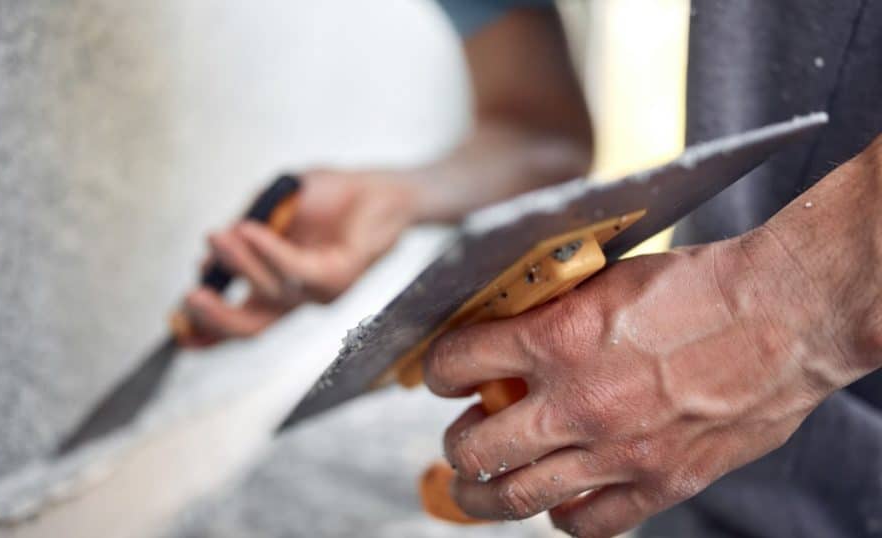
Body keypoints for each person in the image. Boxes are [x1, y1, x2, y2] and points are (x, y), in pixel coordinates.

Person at [179, 1, 882, 536]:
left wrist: (791, 306)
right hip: (729, 485)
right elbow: (536, 130)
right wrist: (409, 195)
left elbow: (787, 308)